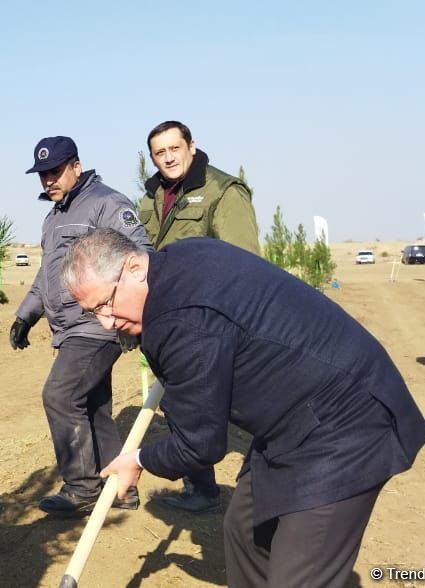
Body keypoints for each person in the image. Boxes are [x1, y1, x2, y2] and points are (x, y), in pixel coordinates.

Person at [61, 229, 425, 587]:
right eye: (93, 313)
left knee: (299, 577)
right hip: (292, 416)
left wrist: (139, 461)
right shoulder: (180, 256)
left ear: (134, 269)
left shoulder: (181, 321)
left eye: (106, 304)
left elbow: (200, 445)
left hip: (346, 424)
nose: (107, 322)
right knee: (245, 530)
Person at [9, 136, 153, 515]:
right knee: (93, 405)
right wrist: (26, 314)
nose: (48, 181)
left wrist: (124, 312)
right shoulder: (53, 217)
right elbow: (47, 275)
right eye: (42, 174)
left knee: (59, 395)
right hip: (69, 327)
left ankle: (82, 489)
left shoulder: (108, 204)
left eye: (55, 171)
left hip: (98, 324)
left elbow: (142, 255)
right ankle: (118, 488)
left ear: (76, 165)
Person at [136, 120, 262, 513]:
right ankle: (201, 487)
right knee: (182, 402)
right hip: (173, 318)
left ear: (192, 146)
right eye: (160, 152)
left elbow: (245, 263)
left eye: (175, 148)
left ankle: (265, 485)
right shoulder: (153, 195)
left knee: (243, 402)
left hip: (212, 318)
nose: (168, 157)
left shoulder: (223, 192)